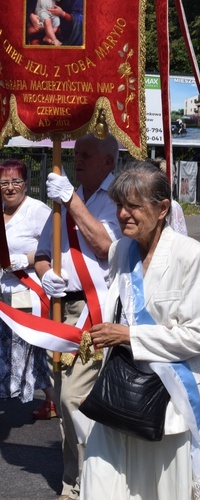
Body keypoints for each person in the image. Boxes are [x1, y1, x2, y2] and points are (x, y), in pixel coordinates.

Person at [80, 161, 200, 498]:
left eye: (134, 206)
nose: (123, 214)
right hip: (118, 394)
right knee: (99, 486)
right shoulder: (122, 250)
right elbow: (115, 309)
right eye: (119, 205)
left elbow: (197, 337)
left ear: (161, 210)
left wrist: (129, 336)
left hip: (170, 403)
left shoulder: (192, 255)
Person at [35, 133, 121, 500]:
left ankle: (95, 481)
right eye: (77, 153)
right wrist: (44, 275)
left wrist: (70, 199)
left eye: (86, 154)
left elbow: (106, 248)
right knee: (61, 400)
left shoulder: (119, 196)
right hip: (59, 308)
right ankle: (74, 481)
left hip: (94, 310)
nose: (77, 159)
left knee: (75, 398)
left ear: (108, 161)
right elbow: (41, 252)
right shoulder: (64, 195)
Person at [0, 160, 55, 417]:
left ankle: (53, 399)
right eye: (4, 183)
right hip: (2, 288)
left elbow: (55, 247)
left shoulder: (37, 211)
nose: (10, 188)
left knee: (31, 348)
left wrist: (22, 260)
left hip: (26, 289)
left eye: (15, 182)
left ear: (25, 184)